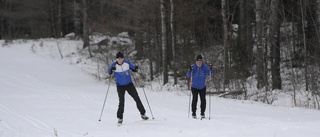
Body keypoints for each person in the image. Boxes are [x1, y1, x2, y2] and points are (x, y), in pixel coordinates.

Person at [108, 51, 149, 124]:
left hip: (129, 85)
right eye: (118, 59)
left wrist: (135, 68)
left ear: (123, 59)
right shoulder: (114, 65)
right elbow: (109, 72)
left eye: (121, 58)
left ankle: (143, 114)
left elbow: (134, 69)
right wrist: (112, 70)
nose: (120, 60)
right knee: (121, 102)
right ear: (116, 59)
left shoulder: (127, 63)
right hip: (120, 86)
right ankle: (120, 118)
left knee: (137, 98)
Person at [186, 54, 213, 119]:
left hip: (202, 87)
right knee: (195, 99)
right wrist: (190, 70)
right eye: (198, 62)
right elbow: (188, 75)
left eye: (200, 62)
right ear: (196, 62)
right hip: (194, 86)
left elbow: (210, 74)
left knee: (203, 100)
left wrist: (211, 69)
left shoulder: (204, 67)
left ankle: (202, 113)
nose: (199, 63)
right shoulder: (193, 66)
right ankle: (193, 113)